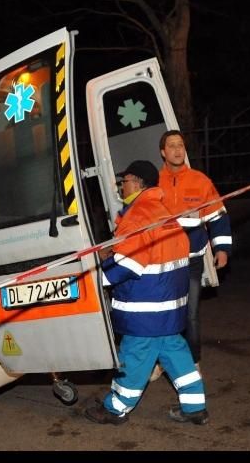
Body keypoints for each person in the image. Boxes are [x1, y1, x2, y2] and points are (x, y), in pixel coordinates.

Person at [85, 160, 208, 426]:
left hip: (144, 307)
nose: (122, 185)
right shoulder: (164, 212)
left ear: (138, 182)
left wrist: (95, 279)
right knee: (176, 353)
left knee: (134, 358)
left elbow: (128, 264)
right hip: (169, 306)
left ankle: (115, 408)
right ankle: (195, 407)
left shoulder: (139, 215)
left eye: (125, 180)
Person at [157, 130, 232, 372]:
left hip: (193, 260)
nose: (177, 150)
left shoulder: (200, 181)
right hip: (164, 261)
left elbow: (218, 216)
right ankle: (161, 361)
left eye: (180, 145)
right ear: (163, 152)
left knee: (190, 314)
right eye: (172, 146)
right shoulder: (154, 183)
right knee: (163, 313)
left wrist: (222, 249)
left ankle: (192, 361)